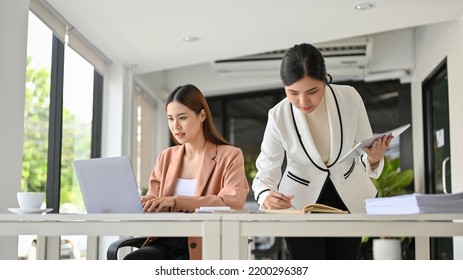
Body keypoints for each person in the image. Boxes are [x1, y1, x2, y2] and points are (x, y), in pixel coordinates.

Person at [252, 43, 393, 260]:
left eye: (312, 91)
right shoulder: (278, 115)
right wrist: (265, 196)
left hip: (347, 199)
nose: (302, 102)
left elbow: (365, 150)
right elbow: (265, 172)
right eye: (293, 93)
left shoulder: (350, 98)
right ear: (284, 88)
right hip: (299, 203)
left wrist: (374, 158)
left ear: (325, 79)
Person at [124, 84, 249, 260]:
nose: (176, 126)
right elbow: (153, 198)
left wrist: (177, 201)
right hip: (163, 241)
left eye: (182, 118)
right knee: (133, 261)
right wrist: (142, 203)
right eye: (170, 119)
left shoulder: (229, 155)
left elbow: (231, 203)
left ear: (202, 115)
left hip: (204, 245)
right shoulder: (166, 157)